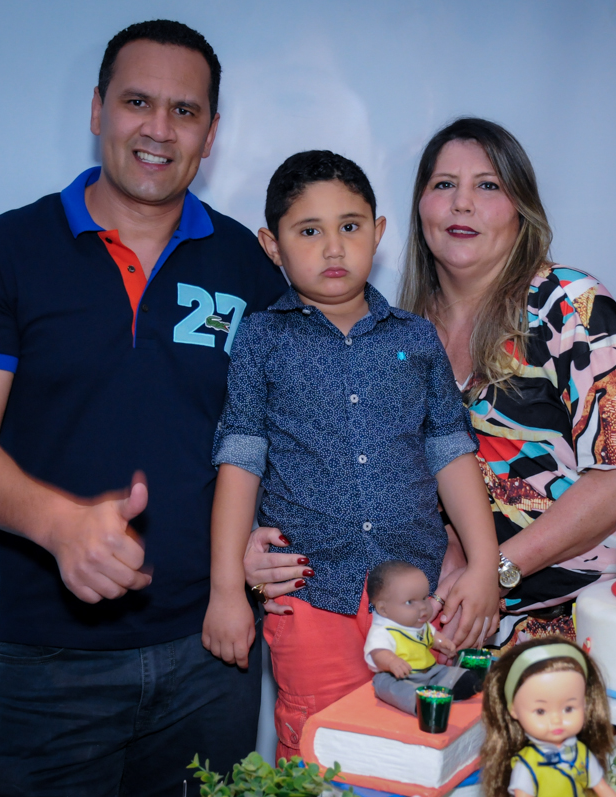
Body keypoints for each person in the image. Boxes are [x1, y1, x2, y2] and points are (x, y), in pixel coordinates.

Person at [0, 21, 286, 794]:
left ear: (212, 132)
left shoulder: (251, 270)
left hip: (212, 655)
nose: (158, 129)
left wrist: (268, 540)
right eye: (136, 102)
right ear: (97, 110)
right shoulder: (3, 251)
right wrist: (60, 525)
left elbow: (283, 437)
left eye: (184, 111)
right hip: (53, 664)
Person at [243, 118, 616, 646]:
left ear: (520, 208)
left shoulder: (570, 306)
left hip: (579, 627)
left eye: (487, 185)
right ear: (420, 208)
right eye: (444, 185)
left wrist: (497, 569)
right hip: (442, 627)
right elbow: (395, 477)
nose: (462, 203)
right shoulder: (401, 330)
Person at [203, 150, 500, 760]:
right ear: (272, 245)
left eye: (350, 226)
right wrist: (227, 587)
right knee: (321, 747)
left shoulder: (415, 338)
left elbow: (450, 451)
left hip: (419, 599)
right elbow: (241, 458)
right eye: (308, 231)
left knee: (420, 746)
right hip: (312, 598)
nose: (333, 248)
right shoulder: (262, 338)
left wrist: (485, 565)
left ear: (380, 232)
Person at [479, 637, 616, 797]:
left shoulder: (581, 754)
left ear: (585, 703)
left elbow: (602, 788)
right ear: (513, 710)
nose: (556, 720)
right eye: (540, 711)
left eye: (568, 708)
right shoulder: (528, 764)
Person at [362, 559, 483, 714]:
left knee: (446, 672)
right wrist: (392, 662)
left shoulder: (421, 626)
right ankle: (419, 702)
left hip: (429, 671)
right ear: (383, 609)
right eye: (410, 602)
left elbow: (433, 637)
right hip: (397, 677)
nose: (422, 607)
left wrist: (443, 643)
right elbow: (378, 653)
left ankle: (458, 685)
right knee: (392, 688)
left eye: (425, 598)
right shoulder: (383, 631)